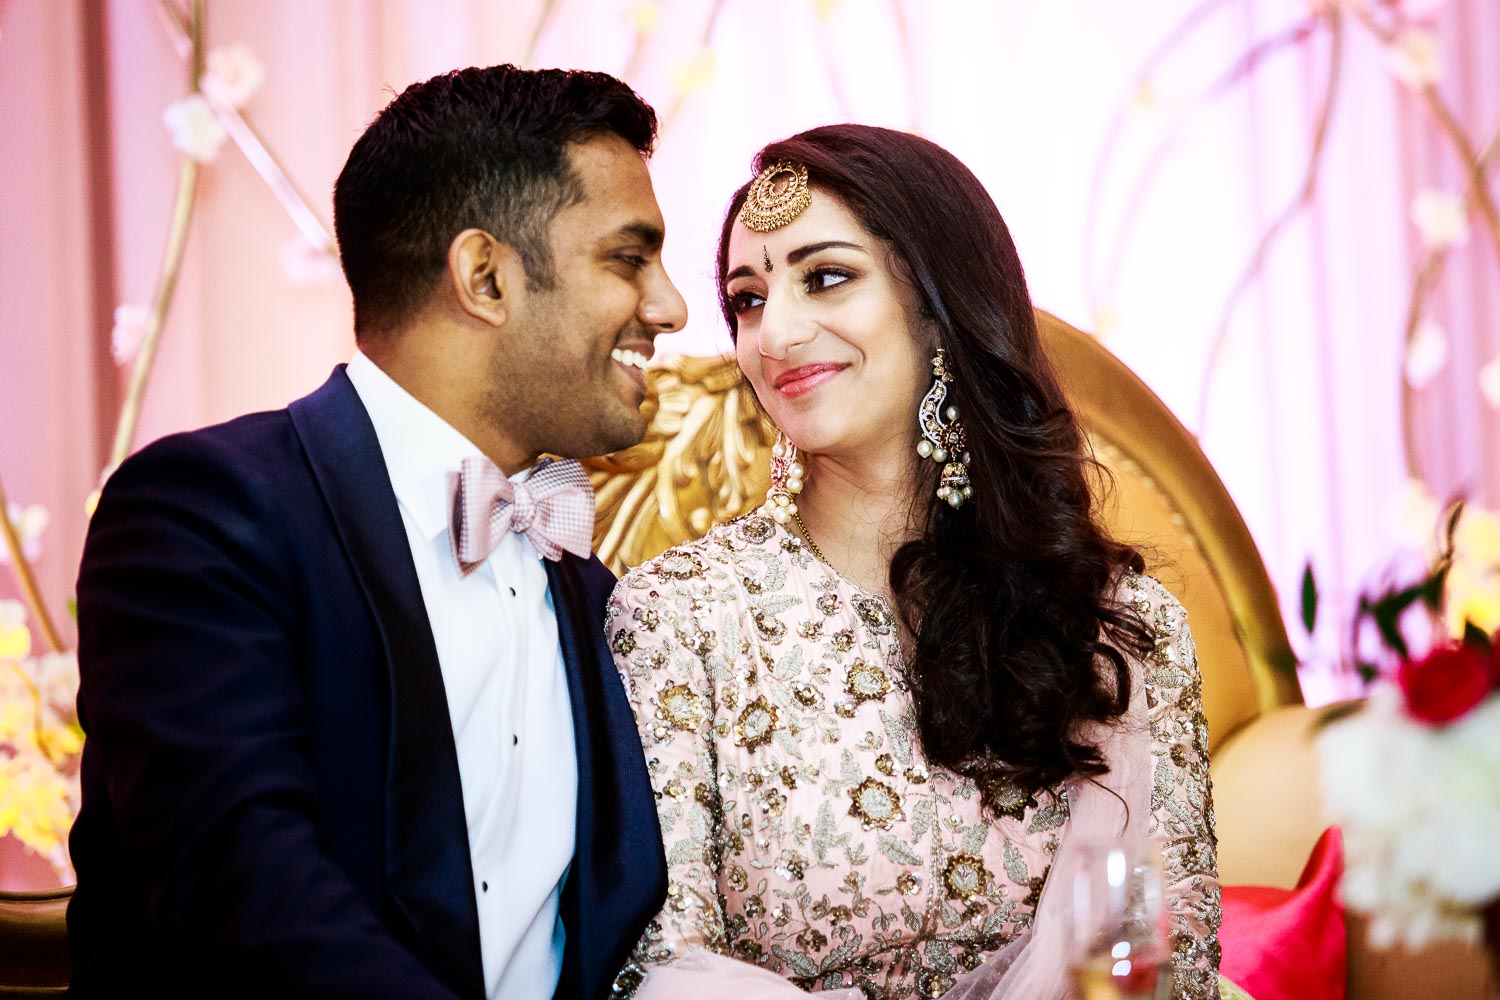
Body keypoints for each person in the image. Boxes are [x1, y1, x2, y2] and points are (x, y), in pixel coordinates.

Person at [68, 64, 686, 999]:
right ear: (486, 276)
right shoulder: (208, 514)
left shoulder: (587, 580)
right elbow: (242, 896)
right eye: (629, 258)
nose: (670, 307)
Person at [606, 125, 1220, 999]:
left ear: (939, 306)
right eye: (747, 298)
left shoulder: (1118, 629)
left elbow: (1162, 970)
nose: (774, 332)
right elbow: (660, 967)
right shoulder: (683, 618)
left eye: (825, 277)